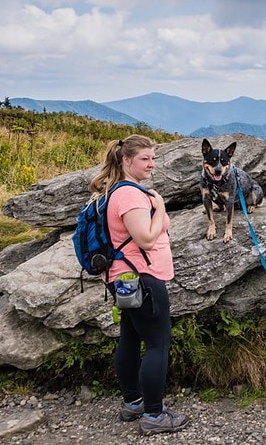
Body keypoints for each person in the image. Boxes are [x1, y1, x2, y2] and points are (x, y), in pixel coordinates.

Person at [89, 134, 189, 436]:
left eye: (153, 158)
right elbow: (145, 238)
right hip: (141, 277)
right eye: (145, 158)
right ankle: (154, 414)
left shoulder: (114, 192)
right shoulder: (131, 195)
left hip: (123, 278)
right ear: (126, 160)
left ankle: (134, 402)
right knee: (158, 343)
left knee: (130, 338)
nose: (151, 164)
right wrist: (159, 208)